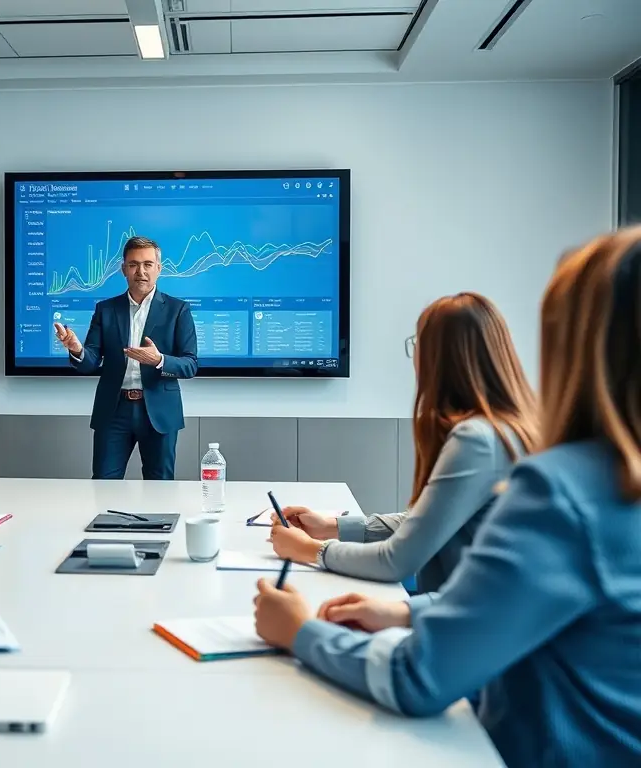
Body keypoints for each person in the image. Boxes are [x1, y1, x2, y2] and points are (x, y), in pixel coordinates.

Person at [252, 228, 641, 767]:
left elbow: (419, 676)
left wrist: (301, 632)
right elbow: (531, 600)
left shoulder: (559, 489)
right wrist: (411, 612)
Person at [268, 293, 538, 592]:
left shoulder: (476, 440)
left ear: (439, 357)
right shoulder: (508, 428)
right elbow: (421, 521)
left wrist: (310, 550)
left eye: (417, 343)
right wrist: (331, 527)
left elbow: (396, 561)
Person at [54, 236, 198, 480]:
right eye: (133, 264)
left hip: (159, 413)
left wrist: (159, 360)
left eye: (147, 264)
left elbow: (190, 364)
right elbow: (89, 363)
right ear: (123, 269)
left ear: (159, 269)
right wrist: (77, 349)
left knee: (160, 487)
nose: (140, 271)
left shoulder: (178, 309)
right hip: (113, 411)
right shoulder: (106, 309)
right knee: (103, 484)